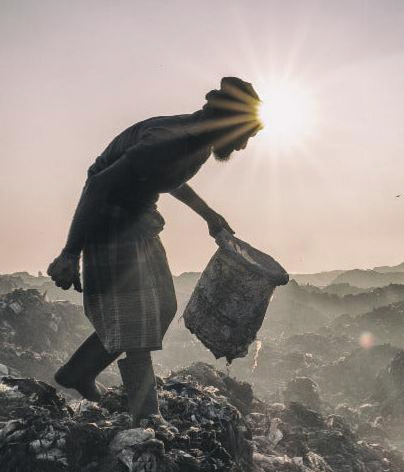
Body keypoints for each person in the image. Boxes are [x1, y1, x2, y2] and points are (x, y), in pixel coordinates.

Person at [46, 76, 263, 424]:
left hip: (141, 219)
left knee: (162, 307)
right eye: (244, 136)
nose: (242, 147)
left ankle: (78, 372)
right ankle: (147, 416)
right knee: (137, 322)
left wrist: (209, 215)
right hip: (109, 223)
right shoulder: (166, 140)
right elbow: (99, 184)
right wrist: (71, 253)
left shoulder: (198, 142)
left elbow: (166, 177)